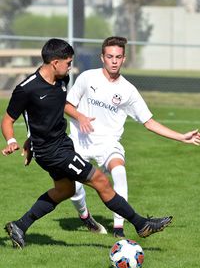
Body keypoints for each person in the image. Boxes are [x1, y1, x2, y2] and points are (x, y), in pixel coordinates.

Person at [1, 38, 173, 249]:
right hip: (51, 152)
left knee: (65, 189)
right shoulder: (26, 89)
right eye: (68, 62)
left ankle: (20, 225)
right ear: (55, 62)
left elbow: (43, 116)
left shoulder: (61, 80)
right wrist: (13, 141)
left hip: (62, 144)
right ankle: (141, 224)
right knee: (100, 180)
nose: (70, 67)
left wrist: (31, 139)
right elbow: (8, 120)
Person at [64, 36, 200, 238]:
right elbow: (67, 105)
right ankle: (86, 217)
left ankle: (119, 228)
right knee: (72, 189)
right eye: (110, 56)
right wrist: (80, 116)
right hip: (79, 141)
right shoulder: (87, 78)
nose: (114, 61)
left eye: (118, 57)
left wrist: (181, 137)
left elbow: (149, 122)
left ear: (124, 59)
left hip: (108, 143)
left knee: (119, 171)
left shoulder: (128, 91)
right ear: (102, 57)